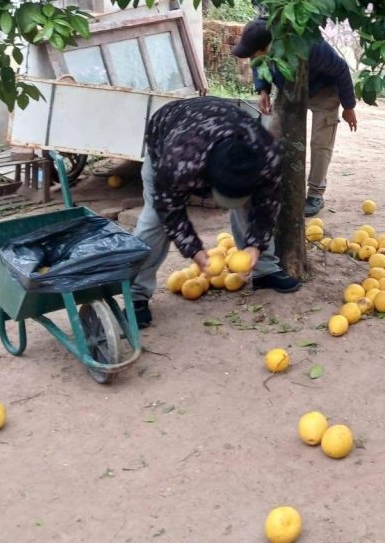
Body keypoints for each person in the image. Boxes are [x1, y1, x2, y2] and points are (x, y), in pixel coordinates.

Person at [129, 97, 301, 329]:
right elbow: (169, 210)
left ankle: (265, 270)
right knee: (155, 220)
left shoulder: (266, 154)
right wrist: (195, 251)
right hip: (169, 131)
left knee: (253, 206)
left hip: (223, 128)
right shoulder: (179, 162)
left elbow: (268, 204)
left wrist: (255, 246)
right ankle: (136, 294)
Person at [232, 18, 358, 217]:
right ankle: (270, 186)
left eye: (257, 52)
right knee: (273, 134)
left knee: (321, 142)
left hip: (323, 90)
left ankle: (316, 194)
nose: (254, 57)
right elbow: (258, 63)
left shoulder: (312, 47)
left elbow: (341, 69)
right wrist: (263, 89)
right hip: (289, 89)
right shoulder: (261, 43)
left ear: (268, 46)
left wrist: (349, 106)